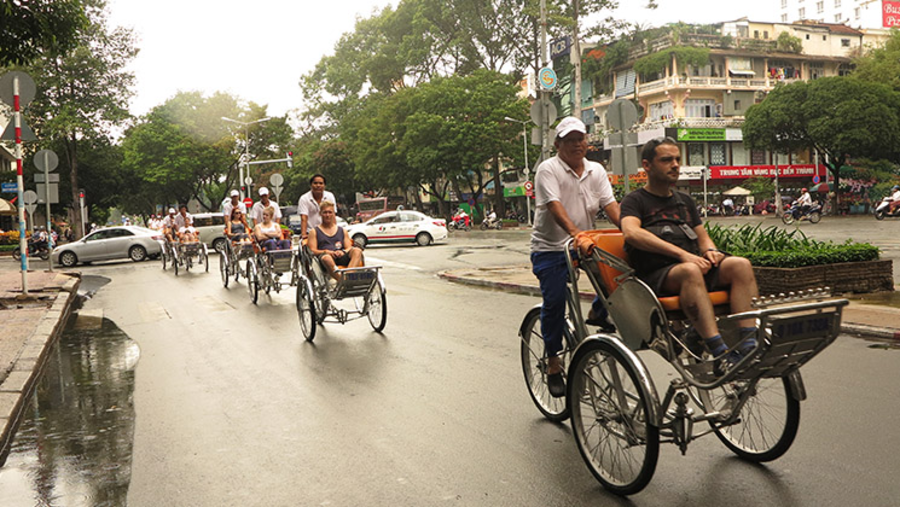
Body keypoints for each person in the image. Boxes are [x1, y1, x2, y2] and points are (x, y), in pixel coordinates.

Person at [620, 137, 759, 371]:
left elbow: (703, 238)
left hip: (693, 268)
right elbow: (632, 233)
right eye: (666, 160)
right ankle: (718, 351)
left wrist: (711, 252)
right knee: (690, 270)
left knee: (740, 265)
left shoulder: (684, 201)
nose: (675, 165)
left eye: (677, 159)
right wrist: (682, 255)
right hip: (657, 276)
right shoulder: (634, 201)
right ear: (647, 165)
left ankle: (748, 345)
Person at [531, 116, 621, 398]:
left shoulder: (596, 171)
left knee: (621, 273)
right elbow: (555, 207)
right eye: (570, 140)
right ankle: (554, 362)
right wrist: (575, 233)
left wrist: (630, 231)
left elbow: (611, 205)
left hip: (585, 245)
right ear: (558, 144)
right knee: (555, 301)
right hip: (550, 248)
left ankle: (597, 311)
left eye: (580, 139)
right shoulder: (548, 169)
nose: (577, 145)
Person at [307, 200, 363, 281]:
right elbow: (312, 250)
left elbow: (348, 247)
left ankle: (348, 277)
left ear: (334, 213)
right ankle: (342, 281)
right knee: (327, 258)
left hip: (341, 255)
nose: (327, 215)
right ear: (320, 214)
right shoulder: (314, 231)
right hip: (325, 258)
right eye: (325, 212)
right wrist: (326, 251)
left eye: (330, 212)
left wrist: (342, 252)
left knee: (357, 251)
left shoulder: (342, 230)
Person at [298, 174, 336, 239]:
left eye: (321, 183)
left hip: (327, 232)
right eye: (315, 183)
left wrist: (335, 231)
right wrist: (303, 234)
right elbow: (304, 218)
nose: (318, 185)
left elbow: (333, 215)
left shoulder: (330, 196)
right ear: (311, 185)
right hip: (311, 232)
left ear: (324, 185)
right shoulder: (304, 198)